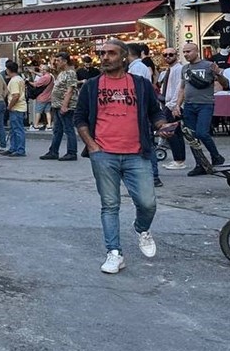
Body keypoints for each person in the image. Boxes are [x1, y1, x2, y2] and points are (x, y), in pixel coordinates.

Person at [75, 38, 176, 274]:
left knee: (147, 203)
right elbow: (79, 118)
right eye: (102, 54)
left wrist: (162, 126)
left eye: (111, 53)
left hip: (137, 154)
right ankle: (114, 253)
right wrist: (92, 146)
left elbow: (154, 112)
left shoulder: (140, 84)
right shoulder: (91, 85)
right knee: (110, 205)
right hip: (104, 154)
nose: (105, 58)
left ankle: (141, 228)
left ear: (123, 57)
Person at [178, 41, 229, 175]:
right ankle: (200, 164)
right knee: (192, 137)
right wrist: (177, 105)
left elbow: (224, 84)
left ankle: (216, 156)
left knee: (202, 133)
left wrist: (218, 74)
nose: (186, 54)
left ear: (196, 51)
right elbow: (182, 88)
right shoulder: (185, 69)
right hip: (189, 106)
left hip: (205, 105)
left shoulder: (208, 65)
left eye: (188, 51)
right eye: (184, 52)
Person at [126, 43, 162, 186]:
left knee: (146, 142)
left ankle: (153, 175)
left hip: (141, 109)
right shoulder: (138, 67)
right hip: (142, 108)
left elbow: (136, 90)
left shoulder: (136, 68)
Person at [40, 52, 79, 161]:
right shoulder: (62, 73)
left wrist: (64, 105)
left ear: (65, 61)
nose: (56, 62)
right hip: (57, 105)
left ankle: (72, 152)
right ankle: (53, 151)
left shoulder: (70, 73)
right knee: (57, 129)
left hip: (65, 106)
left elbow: (70, 90)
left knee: (68, 129)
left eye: (58, 60)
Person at [160, 47, 188, 169]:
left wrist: (174, 105)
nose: (167, 57)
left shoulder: (179, 69)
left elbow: (179, 88)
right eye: (165, 55)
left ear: (176, 55)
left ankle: (179, 160)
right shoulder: (169, 69)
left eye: (170, 54)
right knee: (175, 132)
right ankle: (179, 159)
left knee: (170, 132)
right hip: (169, 104)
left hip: (173, 105)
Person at [0, 60, 27, 157]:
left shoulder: (14, 81)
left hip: (16, 108)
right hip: (19, 107)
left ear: (8, 70)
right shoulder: (19, 79)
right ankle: (13, 148)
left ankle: (19, 149)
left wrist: (9, 106)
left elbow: (16, 95)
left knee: (18, 129)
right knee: (14, 129)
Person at [31, 64, 53, 130]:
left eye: (42, 69)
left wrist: (27, 82)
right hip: (49, 97)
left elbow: (36, 85)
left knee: (38, 111)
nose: (41, 71)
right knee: (47, 112)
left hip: (42, 97)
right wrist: (33, 72)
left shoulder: (44, 77)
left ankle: (36, 125)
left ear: (45, 70)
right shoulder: (51, 76)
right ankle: (49, 125)